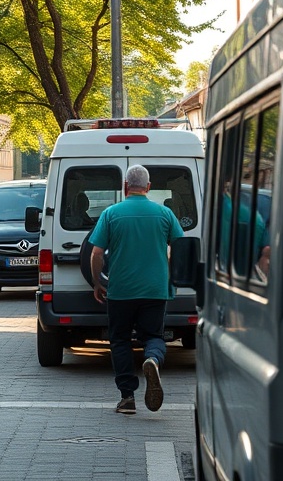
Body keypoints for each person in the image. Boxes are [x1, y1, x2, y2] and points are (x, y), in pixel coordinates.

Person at [89, 165, 184, 415]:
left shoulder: (111, 213)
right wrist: (171, 274)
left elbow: (96, 253)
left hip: (120, 291)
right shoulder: (164, 214)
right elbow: (180, 246)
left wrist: (98, 282)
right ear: (148, 187)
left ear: (125, 186)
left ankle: (127, 397)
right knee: (153, 336)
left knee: (120, 339)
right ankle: (152, 359)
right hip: (155, 289)